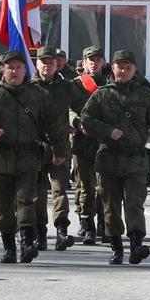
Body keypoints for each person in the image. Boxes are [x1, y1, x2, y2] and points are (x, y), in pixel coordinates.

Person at [0, 50, 70, 263]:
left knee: (26, 201)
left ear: (26, 70)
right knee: (3, 207)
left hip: (28, 156)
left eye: (19, 67)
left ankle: (27, 243)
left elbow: (55, 125)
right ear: (3, 70)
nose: (14, 71)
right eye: (10, 67)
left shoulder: (38, 95)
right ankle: (9, 247)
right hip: (0, 157)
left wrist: (60, 151)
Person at [80, 50, 150, 265]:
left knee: (134, 204)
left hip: (136, 159)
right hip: (108, 159)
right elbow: (85, 120)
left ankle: (136, 245)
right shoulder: (102, 95)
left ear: (134, 70)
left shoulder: (145, 95)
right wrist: (107, 131)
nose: (123, 71)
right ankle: (116, 248)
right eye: (119, 67)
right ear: (113, 68)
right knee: (110, 206)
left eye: (127, 67)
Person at [31, 46, 87, 251]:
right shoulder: (28, 87)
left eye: (51, 62)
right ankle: (39, 233)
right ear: (36, 64)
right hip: (35, 148)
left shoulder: (66, 86)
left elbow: (82, 104)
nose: (47, 66)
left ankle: (62, 231)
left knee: (59, 191)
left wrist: (77, 120)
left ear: (57, 65)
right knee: (37, 194)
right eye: (43, 62)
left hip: (60, 146)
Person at [72, 45, 109, 245]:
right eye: (90, 60)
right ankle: (87, 224)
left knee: (104, 186)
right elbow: (67, 108)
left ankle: (104, 222)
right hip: (82, 142)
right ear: (84, 62)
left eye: (97, 59)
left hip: (105, 144)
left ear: (103, 61)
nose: (94, 63)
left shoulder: (111, 84)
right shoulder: (76, 85)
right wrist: (76, 121)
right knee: (85, 186)